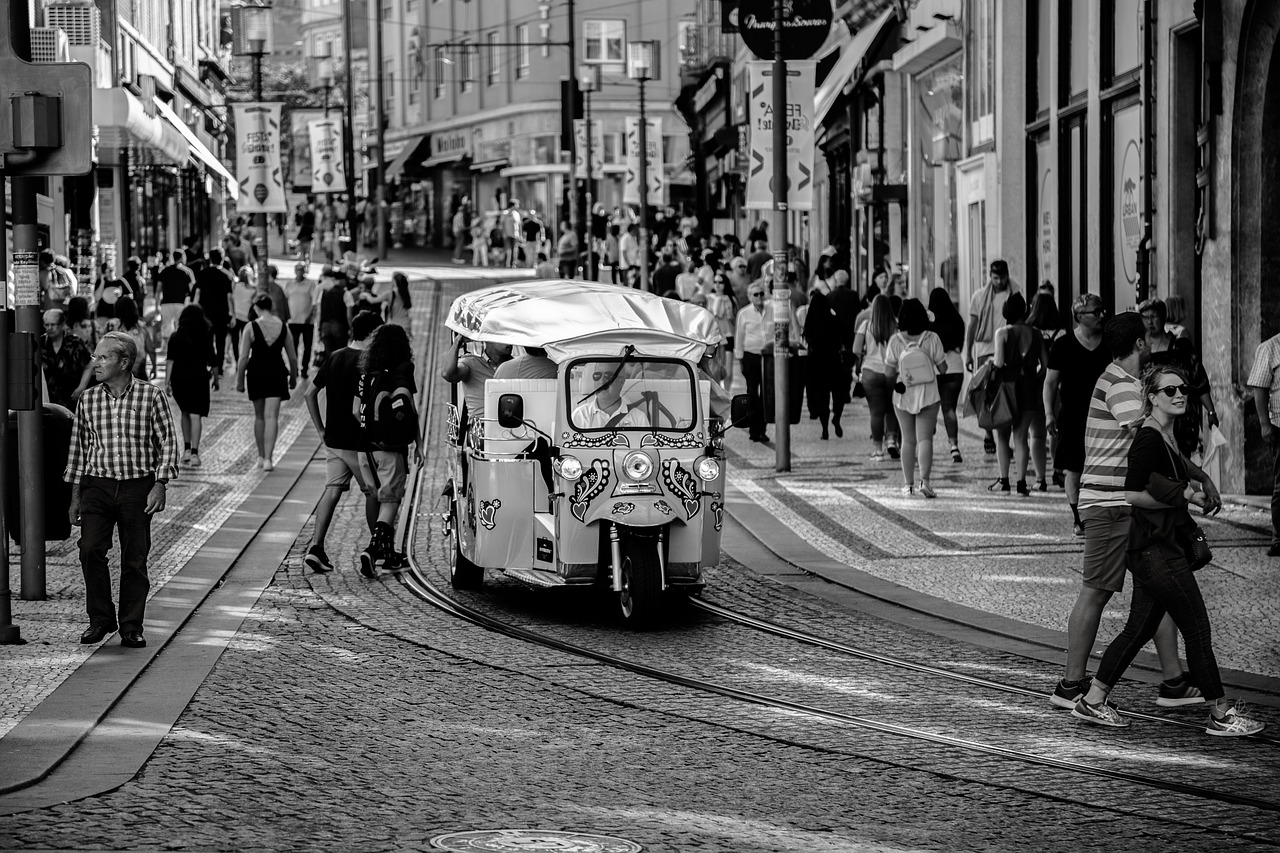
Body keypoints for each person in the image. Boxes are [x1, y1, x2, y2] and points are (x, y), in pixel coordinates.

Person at [1071, 365, 1262, 737]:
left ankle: (1092, 700)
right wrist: (1186, 496)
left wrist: (1200, 479)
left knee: (1136, 630)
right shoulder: (1148, 437)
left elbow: (1172, 469)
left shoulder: (1164, 435)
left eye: (1184, 389)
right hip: (1156, 551)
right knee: (1197, 629)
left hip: (1153, 548)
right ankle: (1220, 714)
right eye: (1170, 390)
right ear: (1152, 397)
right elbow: (1131, 493)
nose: (1179, 395)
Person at [1050, 313, 1205, 712]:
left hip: (1123, 505)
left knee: (1159, 588)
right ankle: (1070, 686)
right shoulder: (1120, 385)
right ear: (1139, 344)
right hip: (1108, 504)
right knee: (1097, 591)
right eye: (1148, 338)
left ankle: (1173, 681)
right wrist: (1194, 477)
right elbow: (1150, 437)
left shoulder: (1127, 382)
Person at [65, 331, 180, 648]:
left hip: (136, 487)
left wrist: (160, 483)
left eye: (103, 357)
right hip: (97, 487)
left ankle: (131, 625)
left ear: (125, 362)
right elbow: (78, 452)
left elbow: (167, 443)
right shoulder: (89, 399)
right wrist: (75, 497)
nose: (96, 364)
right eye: (96, 357)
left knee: (134, 558)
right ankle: (101, 619)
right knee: (90, 550)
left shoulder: (151, 397)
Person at [303, 310, 383, 573]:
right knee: (374, 492)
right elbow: (358, 407)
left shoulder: (334, 356)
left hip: (333, 439)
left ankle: (316, 547)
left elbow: (309, 393)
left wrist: (320, 429)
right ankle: (376, 549)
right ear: (371, 334)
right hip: (358, 443)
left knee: (332, 490)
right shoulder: (367, 362)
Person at [355, 323, 421, 576]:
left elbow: (355, 410)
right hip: (391, 449)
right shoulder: (402, 371)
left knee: (375, 498)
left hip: (364, 449)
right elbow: (410, 411)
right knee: (391, 501)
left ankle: (388, 553)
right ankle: (373, 550)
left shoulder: (365, 374)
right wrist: (419, 445)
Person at [1044, 294, 1111, 536]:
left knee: (1104, 466)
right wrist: (1049, 414)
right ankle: (1078, 518)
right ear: (1080, 317)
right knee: (1074, 468)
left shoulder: (1110, 343)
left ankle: (1101, 513)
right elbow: (1050, 383)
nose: (1102, 315)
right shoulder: (1063, 345)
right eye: (1096, 312)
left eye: (1102, 310)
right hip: (1072, 416)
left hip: (1106, 415)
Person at [884, 298, 947, 497]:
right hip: (928, 393)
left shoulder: (896, 340)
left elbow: (888, 372)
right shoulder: (932, 338)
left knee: (908, 440)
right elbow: (943, 368)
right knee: (925, 439)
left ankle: (908, 484)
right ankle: (925, 482)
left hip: (903, 394)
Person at [1140, 297, 1217, 457]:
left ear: (1163, 317)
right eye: (1145, 317)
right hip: (1150, 419)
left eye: (1154, 316)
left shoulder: (1180, 347)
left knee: (1181, 464)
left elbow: (1199, 380)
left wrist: (1210, 411)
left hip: (1181, 421)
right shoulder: (1139, 354)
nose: (1150, 322)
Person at [235, 293, 299, 471]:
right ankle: (270, 459)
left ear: (256, 308)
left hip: (256, 372)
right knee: (272, 416)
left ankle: (261, 456)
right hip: (277, 372)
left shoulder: (251, 326)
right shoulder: (283, 327)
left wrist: (240, 381)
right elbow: (293, 358)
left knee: (259, 416)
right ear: (271, 307)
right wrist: (293, 377)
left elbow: (243, 357)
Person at [989, 292, 1045, 494]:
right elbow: (1045, 366)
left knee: (1002, 436)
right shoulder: (1036, 334)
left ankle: (1004, 481)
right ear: (1025, 310)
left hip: (1007, 390)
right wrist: (1033, 378)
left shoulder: (1002, 333)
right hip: (1029, 389)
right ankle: (1021, 483)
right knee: (1021, 437)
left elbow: (998, 363)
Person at [965, 259, 1016, 455]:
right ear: (990, 277)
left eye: (1003, 277)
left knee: (1005, 395)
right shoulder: (979, 296)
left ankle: (1004, 437)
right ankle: (988, 434)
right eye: (996, 278)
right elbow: (972, 325)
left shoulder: (1015, 292)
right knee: (984, 394)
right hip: (985, 349)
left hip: (1006, 348)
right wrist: (968, 352)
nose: (1000, 281)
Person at [165, 304, 216, 468]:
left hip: (179, 380)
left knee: (184, 413)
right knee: (196, 416)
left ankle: (186, 449)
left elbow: (170, 361)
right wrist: (216, 378)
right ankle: (195, 452)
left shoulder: (175, 337)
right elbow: (212, 358)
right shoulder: (206, 336)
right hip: (199, 379)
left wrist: (167, 382)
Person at [853, 295, 901, 461]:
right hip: (891, 372)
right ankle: (892, 440)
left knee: (876, 412)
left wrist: (859, 364)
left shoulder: (866, 325)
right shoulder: (896, 327)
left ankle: (878, 450)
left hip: (870, 372)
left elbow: (856, 349)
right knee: (892, 408)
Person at [1247, 328, 1280, 557]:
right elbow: (1259, 387)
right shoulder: (1270, 347)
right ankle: (1279, 537)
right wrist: (1264, 423)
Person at [803, 287, 849, 441]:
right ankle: (837, 416)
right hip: (834, 363)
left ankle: (824, 429)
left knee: (822, 397)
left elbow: (807, 341)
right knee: (838, 394)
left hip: (817, 364)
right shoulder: (834, 319)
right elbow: (843, 337)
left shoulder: (810, 322)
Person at [927, 288, 966, 463]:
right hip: (955, 369)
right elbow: (959, 347)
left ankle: (927, 441)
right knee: (949, 409)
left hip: (934, 371)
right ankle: (954, 446)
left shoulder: (930, 326)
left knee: (931, 408)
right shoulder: (958, 320)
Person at [440, 336, 513, 427]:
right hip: (481, 428)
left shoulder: (518, 365)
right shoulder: (471, 363)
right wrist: (457, 343)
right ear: (488, 339)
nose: (510, 341)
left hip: (512, 425)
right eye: (503, 336)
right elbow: (447, 374)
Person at [734, 281, 772, 443]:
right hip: (751, 356)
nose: (759, 297)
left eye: (761, 294)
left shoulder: (772, 311)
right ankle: (753, 429)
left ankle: (761, 430)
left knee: (765, 393)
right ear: (750, 297)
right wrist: (740, 359)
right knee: (752, 393)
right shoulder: (744, 313)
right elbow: (739, 336)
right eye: (755, 294)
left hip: (768, 357)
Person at [194, 248, 234, 378]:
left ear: (210, 259)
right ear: (222, 259)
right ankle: (220, 368)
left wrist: (195, 309)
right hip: (222, 315)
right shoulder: (227, 275)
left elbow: (198, 294)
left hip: (205, 315)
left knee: (206, 341)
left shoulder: (203, 273)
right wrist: (232, 314)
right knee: (221, 342)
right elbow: (229, 297)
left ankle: (207, 365)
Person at [41, 308, 92, 409]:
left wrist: (81, 387)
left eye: (53, 324)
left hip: (71, 398)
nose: (49, 328)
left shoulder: (75, 343)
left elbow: (89, 364)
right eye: (47, 325)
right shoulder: (40, 343)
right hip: (48, 399)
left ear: (62, 324)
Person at [571, 363, 648, 428]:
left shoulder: (639, 418)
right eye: (597, 376)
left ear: (621, 381)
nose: (601, 381)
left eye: (608, 376)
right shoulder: (580, 416)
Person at [284, 262, 319, 377]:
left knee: (307, 346)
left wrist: (311, 316)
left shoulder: (310, 284)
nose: (299, 272)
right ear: (295, 271)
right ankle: (294, 368)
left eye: (301, 269)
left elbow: (314, 303)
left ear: (304, 271)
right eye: (298, 269)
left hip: (307, 321)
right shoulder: (289, 284)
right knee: (293, 346)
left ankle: (304, 368)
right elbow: (285, 301)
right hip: (293, 320)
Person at [109, 298, 154, 380]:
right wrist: (154, 366)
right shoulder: (141, 327)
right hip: (139, 374)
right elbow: (150, 349)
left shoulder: (111, 325)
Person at [706, 272, 738, 387]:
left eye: (720, 282)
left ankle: (727, 392)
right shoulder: (709, 298)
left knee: (728, 368)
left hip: (728, 335)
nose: (718, 285)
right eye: (715, 282)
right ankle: (718, 391)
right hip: (714, 336)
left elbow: (735, 320)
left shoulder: (730, 299)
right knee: (715, 367)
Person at [156, 249, 194, 340]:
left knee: (167, 328)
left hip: (166, 303)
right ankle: (180, 349)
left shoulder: (164, 271)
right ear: (182, 258)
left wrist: (157, 304)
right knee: (181, 327)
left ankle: (167, 349)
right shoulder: (187, 271)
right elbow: (192, 289)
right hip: (181, 303)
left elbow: (158, 289)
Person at [500, 201, 522, 267]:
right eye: (517, 205)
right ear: (513, 205)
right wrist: (503, 233)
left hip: (515, 234)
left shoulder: (517, 214)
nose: (518, 206)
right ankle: (506, 264)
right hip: (507, 234)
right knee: (507, 250)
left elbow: (519, 225)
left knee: (515, 250)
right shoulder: (505, 213)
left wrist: (520, 235)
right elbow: (502, 223)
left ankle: (513, 264)